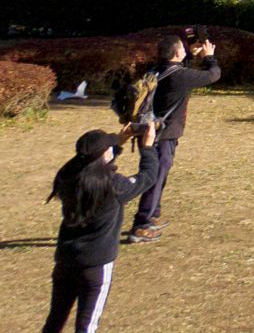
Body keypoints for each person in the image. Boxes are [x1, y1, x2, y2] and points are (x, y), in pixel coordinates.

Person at [43, 122, 159, 333]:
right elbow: (148, 177)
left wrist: (118, 143)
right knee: (87, 326)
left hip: (65, 259)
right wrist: (148, 147)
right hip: (96, 265)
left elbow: (90, 166)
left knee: (55, 320)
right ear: (105, 154)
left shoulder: (67, 178)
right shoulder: (114, 186)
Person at [128, 30, 221, 242]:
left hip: (148, 131)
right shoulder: (179, 76)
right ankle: (141, 224)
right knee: (156, 175)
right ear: (177, 53)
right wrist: (209, 57)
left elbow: (178, 66)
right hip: (163, 134)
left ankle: (152, 214)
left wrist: (190, 54)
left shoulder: (157, 70)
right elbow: (213, 75)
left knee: (157, 173)